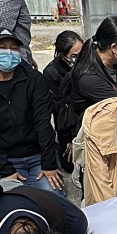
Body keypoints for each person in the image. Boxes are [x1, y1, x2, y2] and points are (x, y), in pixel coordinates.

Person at [0, 27, 65, 197]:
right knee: (13, 207)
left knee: (53, 202)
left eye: (14, 48)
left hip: (38, 157)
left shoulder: (34, 79)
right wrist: (6, 170)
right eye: (2, 48)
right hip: (6, 160)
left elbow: (43, 123)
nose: (9, 52)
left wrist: (49, 164)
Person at [42, 31, 84, 172]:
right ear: (62, 55)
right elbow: (59, 109)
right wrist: (69, 140)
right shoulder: (52, 73)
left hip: (86, 121)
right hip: (66, 124)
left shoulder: (88, 64)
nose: (79, 58)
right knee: (69, 166)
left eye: (81, 53)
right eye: (74, 55)